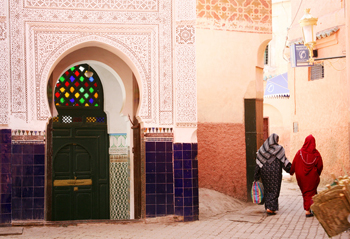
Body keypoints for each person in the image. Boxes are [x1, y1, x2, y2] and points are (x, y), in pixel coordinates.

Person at [254, 133, 291, 215]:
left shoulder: (262, 149)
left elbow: (258, 163)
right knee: (275, 189)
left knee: (267, 189)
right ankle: (271, 208)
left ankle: (268, 207)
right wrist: (290, 169)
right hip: (276, 173)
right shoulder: (279, 149)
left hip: (265, 173)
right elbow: (284, 161)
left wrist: (256, 175)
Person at [290, 134, 323, 217]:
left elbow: (294, 163)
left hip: (301, 177)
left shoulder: (299, 152)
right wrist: (317, 173)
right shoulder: (316, 153)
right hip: (312, 177)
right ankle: (308, 210)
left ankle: (310, 208)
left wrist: (292, 171)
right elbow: (320, 165)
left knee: (306, 193)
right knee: (311, 192)